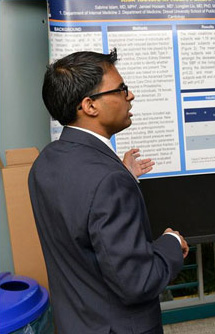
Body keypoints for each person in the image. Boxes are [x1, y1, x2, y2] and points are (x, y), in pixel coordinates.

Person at [28, 49, 189, 333]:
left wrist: (123, 175)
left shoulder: (46, 162)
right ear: (90, 106)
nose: (130, 96)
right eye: (121, 89)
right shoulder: (107, 180)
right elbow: (138, 282)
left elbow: (79, 221)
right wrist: (171, 243)